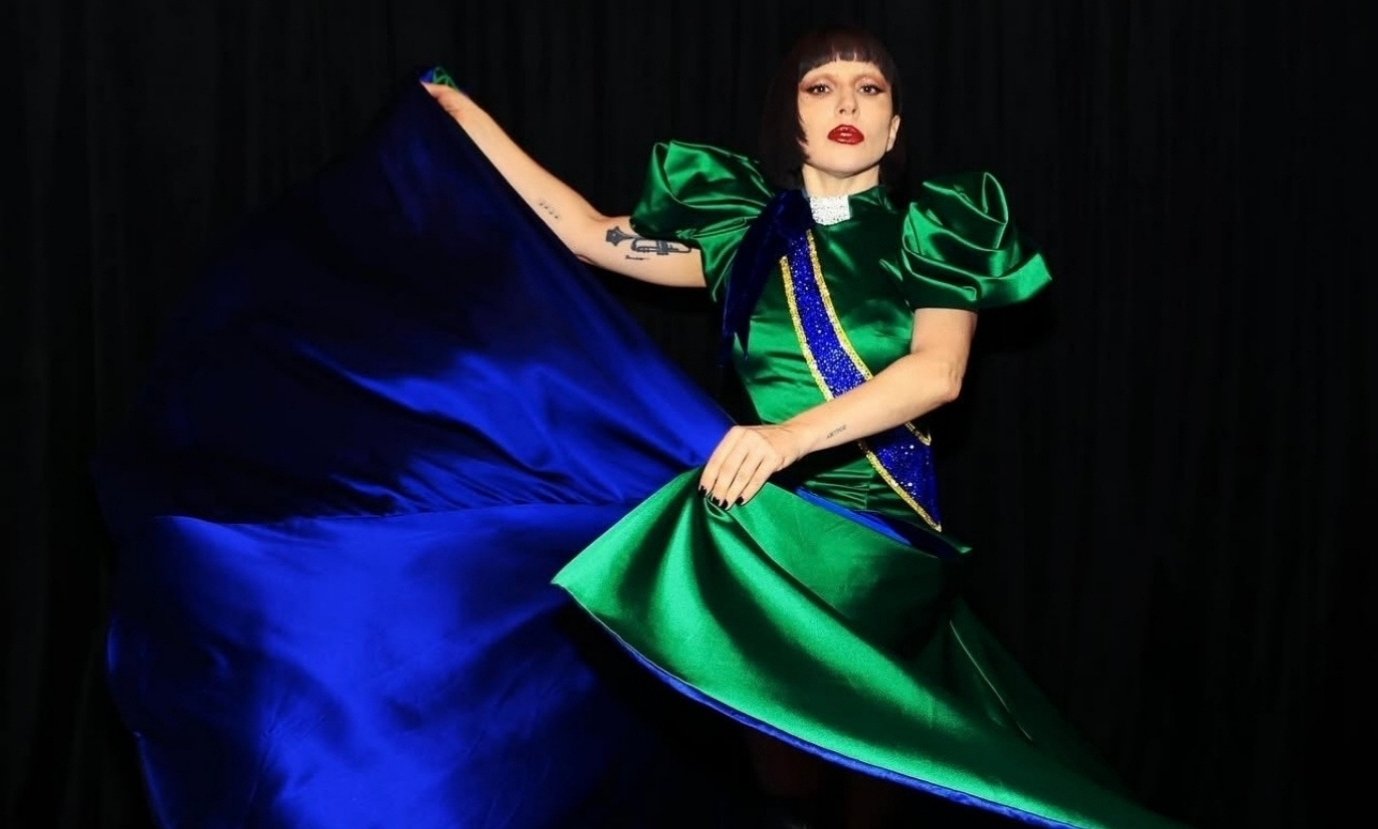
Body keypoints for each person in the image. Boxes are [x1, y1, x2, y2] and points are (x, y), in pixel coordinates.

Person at [423, 24, 1191, 829]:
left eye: (870, 89)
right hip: (767, 525)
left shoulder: (935, 228)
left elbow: (938, 373)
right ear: (790, 120)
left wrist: (786, 436)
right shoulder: (743, 241)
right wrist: (464, 114)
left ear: (893, 127)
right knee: (784, 765)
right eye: (821, 88)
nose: (847, 103)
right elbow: (585, 235)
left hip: (879, 540)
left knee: (868, 764)